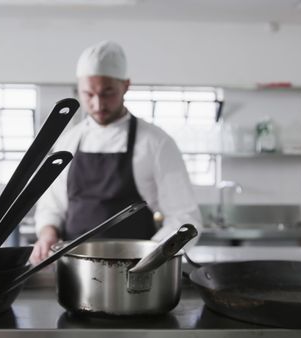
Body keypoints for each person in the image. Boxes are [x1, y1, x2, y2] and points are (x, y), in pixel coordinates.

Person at [30, 40, 202, 264]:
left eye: (107, 93)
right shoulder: (68, 141)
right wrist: (47, 234)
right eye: (88, 94)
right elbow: (51, 207)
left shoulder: (156, 143)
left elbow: (185, 218)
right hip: (75, 268)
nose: (98, 104)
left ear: (126, 86)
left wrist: (151, 256)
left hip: (136, 269)